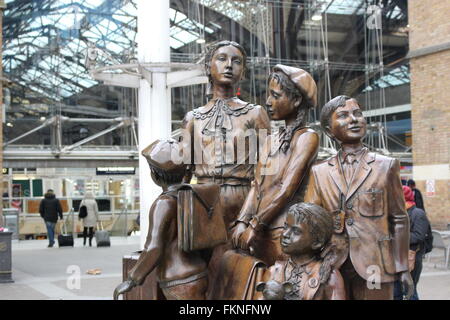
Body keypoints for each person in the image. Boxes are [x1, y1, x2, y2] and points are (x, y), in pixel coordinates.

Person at [304, 95, 413, 300]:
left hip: (375, 263)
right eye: (343, 115)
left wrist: (402, 267)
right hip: (333, 263)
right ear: (329, 131)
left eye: (358, 113)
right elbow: (312, 221)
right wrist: (310, 261)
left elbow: (399, 219)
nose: (354, 119)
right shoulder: (319, 172)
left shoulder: (386, 166)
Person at [231, 64, 319, 266]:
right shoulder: (271, 139)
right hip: (260, 231)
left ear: (296, 100)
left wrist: (254, 225)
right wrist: (243, 221)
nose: (268, 102)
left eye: (276, 96)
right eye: (268, 95)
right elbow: (256, 185)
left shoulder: (307, 137)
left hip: (285, 233)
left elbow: (286, 188)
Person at [114, 139, 210, 300]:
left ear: (155, 175)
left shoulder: (163, 203)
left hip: (179, 280)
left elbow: (154, 248)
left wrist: (132, 279)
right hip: (198, 273)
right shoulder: (191, 196)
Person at [255, 203, 346, 300]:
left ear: (316, 242)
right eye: (285, 227)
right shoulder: (274, 271)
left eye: (296, 231)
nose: (285, 234)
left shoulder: (329, 277)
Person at [394, 186, 431, 300]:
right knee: (396, 292)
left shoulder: (418, 213)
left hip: (412, 258)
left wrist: (395, 237)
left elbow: (418, 236)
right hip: (397, 258)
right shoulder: (398, 213)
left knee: (410, 291)